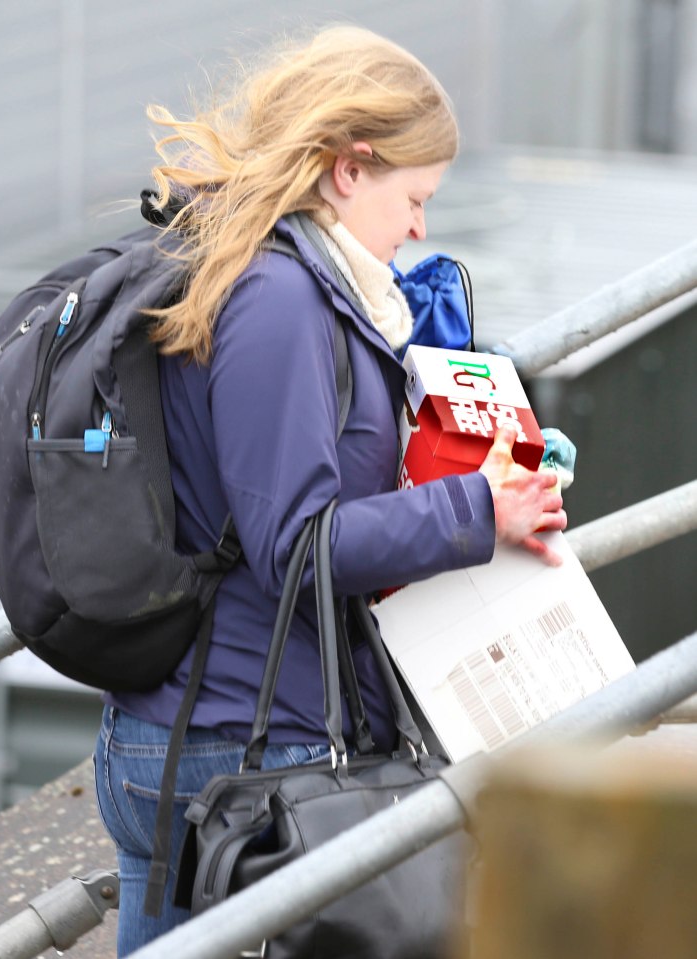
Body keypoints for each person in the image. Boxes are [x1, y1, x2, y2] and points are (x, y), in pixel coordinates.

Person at [93, 24, 566, 955]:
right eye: (413, 196)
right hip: (235, 744)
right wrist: (481, 510)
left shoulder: (277, 267)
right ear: (350, 167)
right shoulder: (276, 296)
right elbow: (297, 543)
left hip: (205, 722)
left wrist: (476, 458)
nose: (421, 227)